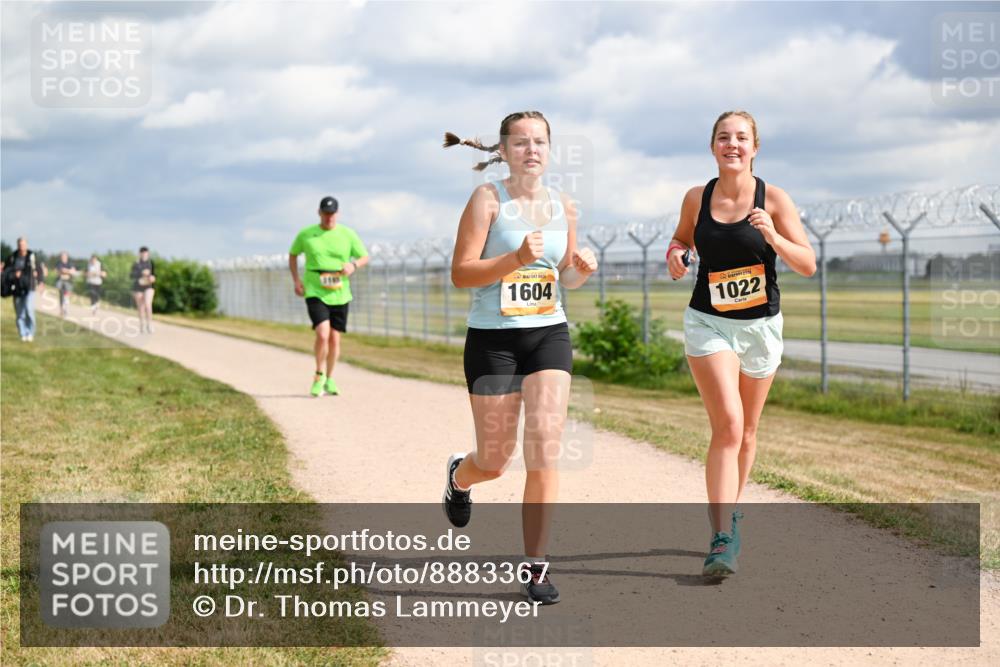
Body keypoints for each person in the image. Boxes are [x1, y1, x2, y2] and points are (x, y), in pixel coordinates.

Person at [441, 111, 598, 605]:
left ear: (550, 150)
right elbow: (461, 274)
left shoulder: (563, 206)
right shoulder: (487, 200)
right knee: (494, 460)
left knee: (545, 450)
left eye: (540, 142)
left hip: (548, 333)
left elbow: (563, 277)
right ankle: (459, 478)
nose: (532, 150)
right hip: (494, 340)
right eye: (521, 142)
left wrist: (580, 270)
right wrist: (514, 259)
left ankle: (535, 567)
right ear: (503, 151)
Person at [667, 110, 816, 576]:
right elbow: (679, 239)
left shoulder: (773, 198)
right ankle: (721, 537)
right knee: (728, 427)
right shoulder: (697, 197)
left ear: (755, 147)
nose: (732, 144)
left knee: (748, 432)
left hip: (761, 328)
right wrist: (675, 255)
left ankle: (730, 513)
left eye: (741, 138)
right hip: (708, 323)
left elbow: (807, 263)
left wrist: (772, 234)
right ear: (712, 146)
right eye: (723, 137)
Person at [289, 196, 370, 397]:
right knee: (322, 334)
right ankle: (318, 375)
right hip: (315, 289)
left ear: (338, 214)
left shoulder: (347, 234)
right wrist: (296, 281)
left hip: (340, 292)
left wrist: (353, 265)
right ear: (319, 213)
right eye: (325, 213)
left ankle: (330, 378)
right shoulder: (307, 234)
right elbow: (293, 254)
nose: (329, 217)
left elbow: (364, 256)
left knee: (334, 338)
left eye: (332, 214)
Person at [4, 237, 47, 342]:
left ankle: (30, 332)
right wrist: (14, 274)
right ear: (17, 245)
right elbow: (6, 271)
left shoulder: (32, 257)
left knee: (29, 310)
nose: (21, 246)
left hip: (30, 287)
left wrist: (41, 282)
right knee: (19, 313)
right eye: (20, 244)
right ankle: (23, 334)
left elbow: (39, 269)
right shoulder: (13, 257)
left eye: (23, 244)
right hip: (17, 288)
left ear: (26, 245)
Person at [130, 246, 156, 333]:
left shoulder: (151, 263)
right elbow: (131, 275)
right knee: (141, 307)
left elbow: (155, 275)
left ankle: (150, 324)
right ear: (140, 254)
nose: (145, 254)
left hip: (149, 287)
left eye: (146, 253)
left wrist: (153, 277)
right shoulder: (136, 263)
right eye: (143, 253)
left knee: (148, 304)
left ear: (148, 254)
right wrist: (141, 273)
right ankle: (142, 325)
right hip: (138, 287)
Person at [54, 251, 77, 318]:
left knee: (66, 296)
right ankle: (61, 310)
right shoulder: (59, 263)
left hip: (68, 282)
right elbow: (57, 271)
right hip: (61, 281)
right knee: (61, 296)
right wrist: (67, 271)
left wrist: (65, 271)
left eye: (64, 256)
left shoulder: (70, 263)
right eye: (62, 256)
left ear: (66, 257)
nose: (63, 257)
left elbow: (73, 271)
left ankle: (66, 309)